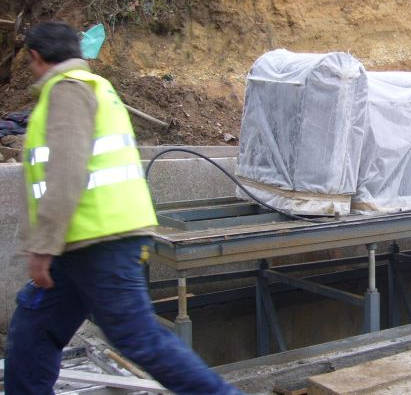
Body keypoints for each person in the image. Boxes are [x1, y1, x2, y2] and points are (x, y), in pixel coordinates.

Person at [4, 21, 242, 394]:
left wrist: (43, 245)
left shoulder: (68, 91)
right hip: (80, 243)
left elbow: (67, 171)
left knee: (138, 339)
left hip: (99, 241)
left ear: (35, 57)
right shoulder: (91, 87)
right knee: (32, 332)